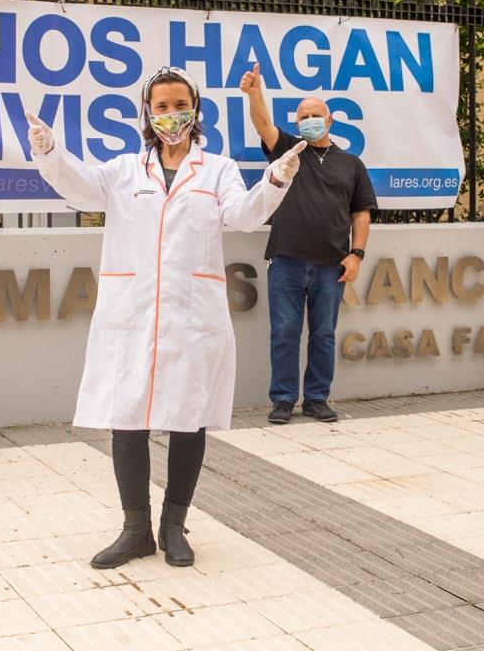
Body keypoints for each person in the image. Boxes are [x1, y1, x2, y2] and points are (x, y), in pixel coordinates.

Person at [26, 66, 305, 568]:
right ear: (147, 113)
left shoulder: (216, 169)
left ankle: (173, 525)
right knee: (126, 417)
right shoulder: (124, 170)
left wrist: (275, 180)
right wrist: (50, 152)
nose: (171, 115)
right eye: (161, 106)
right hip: (131, 312)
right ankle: (135, 529)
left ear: (195, 111)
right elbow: (81, 188)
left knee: (187, 418)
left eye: (180, 105)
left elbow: (242, 214)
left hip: (190, 316)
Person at [239, 63, 377, 425]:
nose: (309, 121)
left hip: (331, 265)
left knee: (324, 335)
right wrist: (255, 94)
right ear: (297, 123)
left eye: (316, 115)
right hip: (285, 261)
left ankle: (317, 398)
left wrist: (356, 254)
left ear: (329, 121)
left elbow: (361, 213)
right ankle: (282, 400)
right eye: (303, 117)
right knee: (284, 333)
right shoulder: (288, 150)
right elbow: (262, 125)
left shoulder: (351, 164)